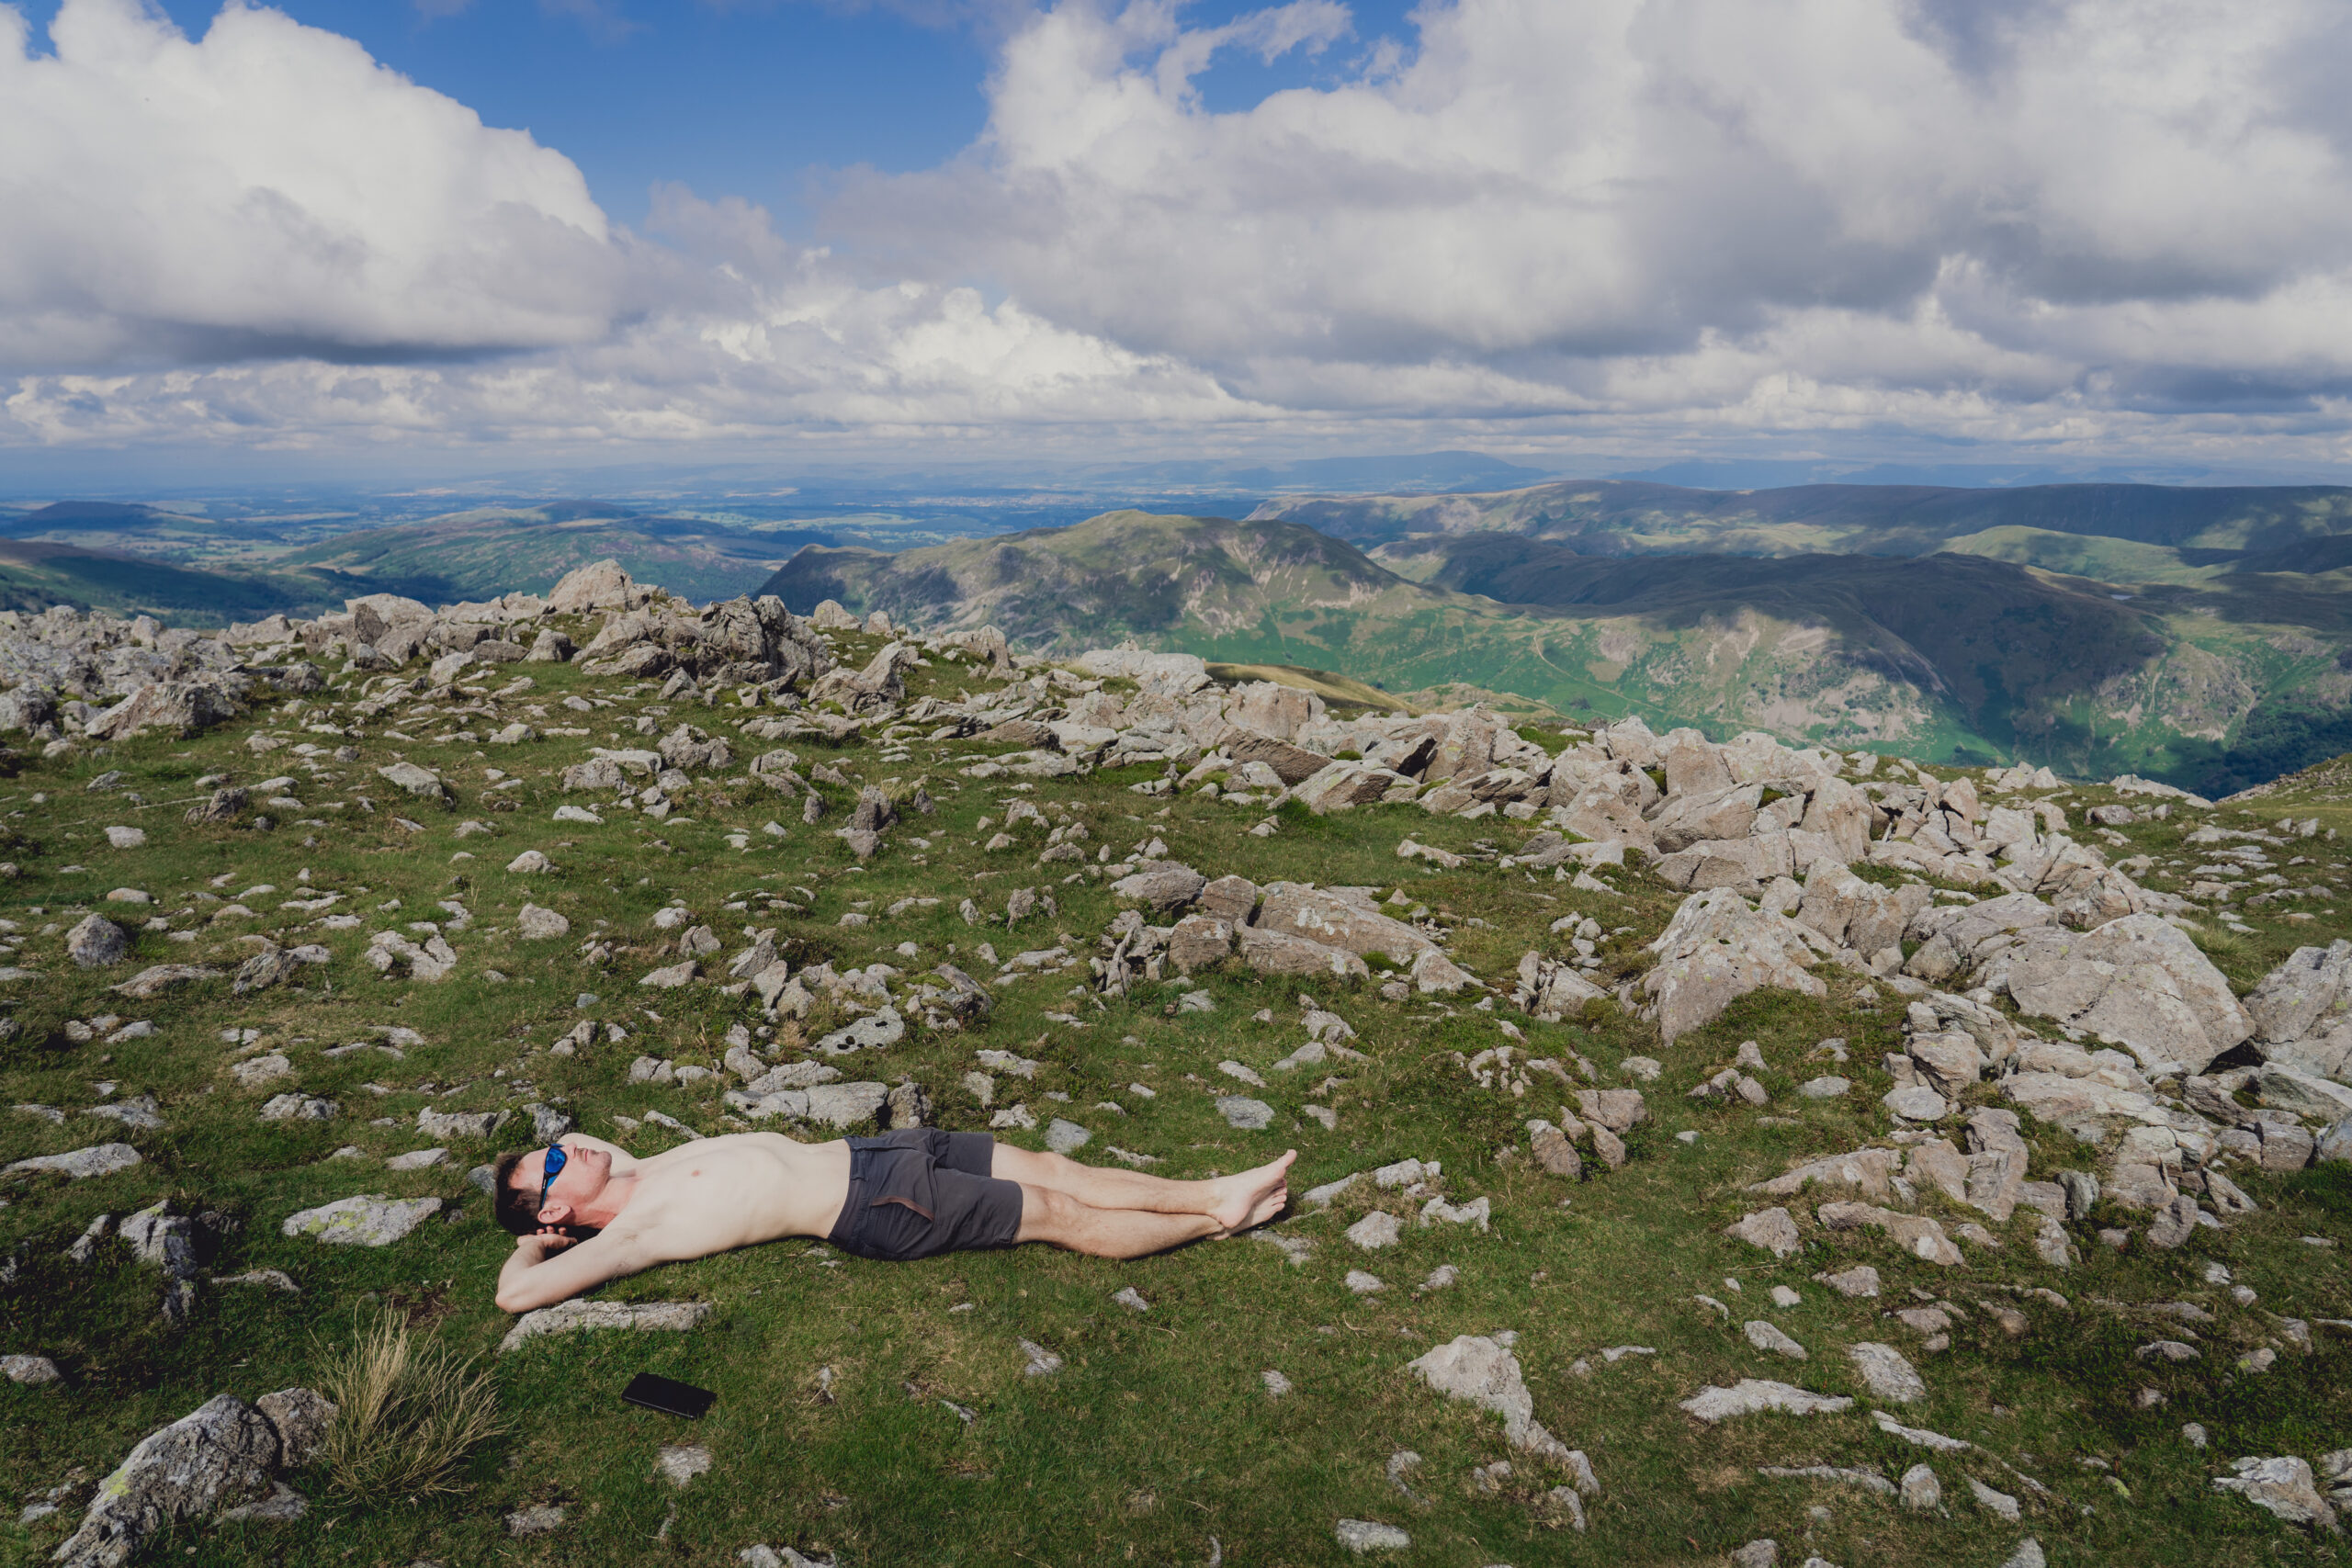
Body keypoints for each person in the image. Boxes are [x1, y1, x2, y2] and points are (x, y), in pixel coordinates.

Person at [491, 1128, 1296, 1314]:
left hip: (875, 1151)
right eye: (552, 1162)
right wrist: (534, 1242)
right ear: (557, 1203)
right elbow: (514, 1298)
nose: (569, 1145)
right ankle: (1218, 1222)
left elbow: (594, 1153)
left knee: (1057, 1168)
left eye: (554, 1142)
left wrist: (564, 1191)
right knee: (1057, 1213)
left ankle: (1210, 1188)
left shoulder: (633, 1164)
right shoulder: (633, 1231)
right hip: (873, 1205)